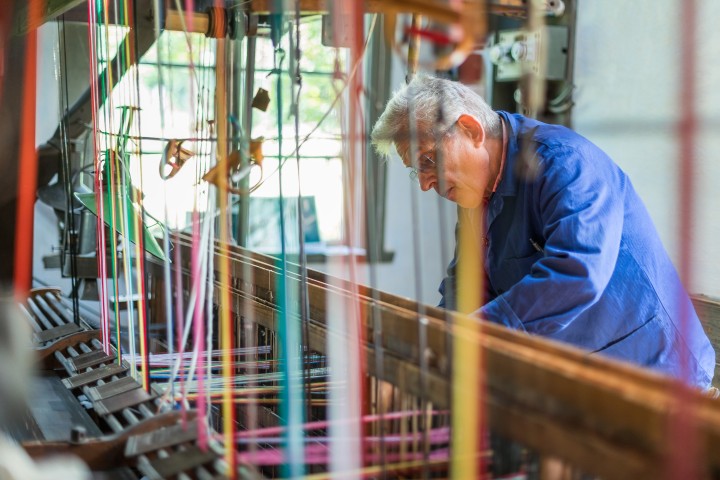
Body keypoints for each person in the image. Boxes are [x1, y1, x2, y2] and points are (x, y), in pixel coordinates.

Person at [371, 75, 716, 389]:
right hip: (587, 378)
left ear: (471, 130)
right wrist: (427, 344)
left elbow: (577, 272)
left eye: (428, 160)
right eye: (417, 172)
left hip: (659, 372)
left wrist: (465, 338)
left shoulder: (566, 163)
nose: (426, 183)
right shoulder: (476, 193)